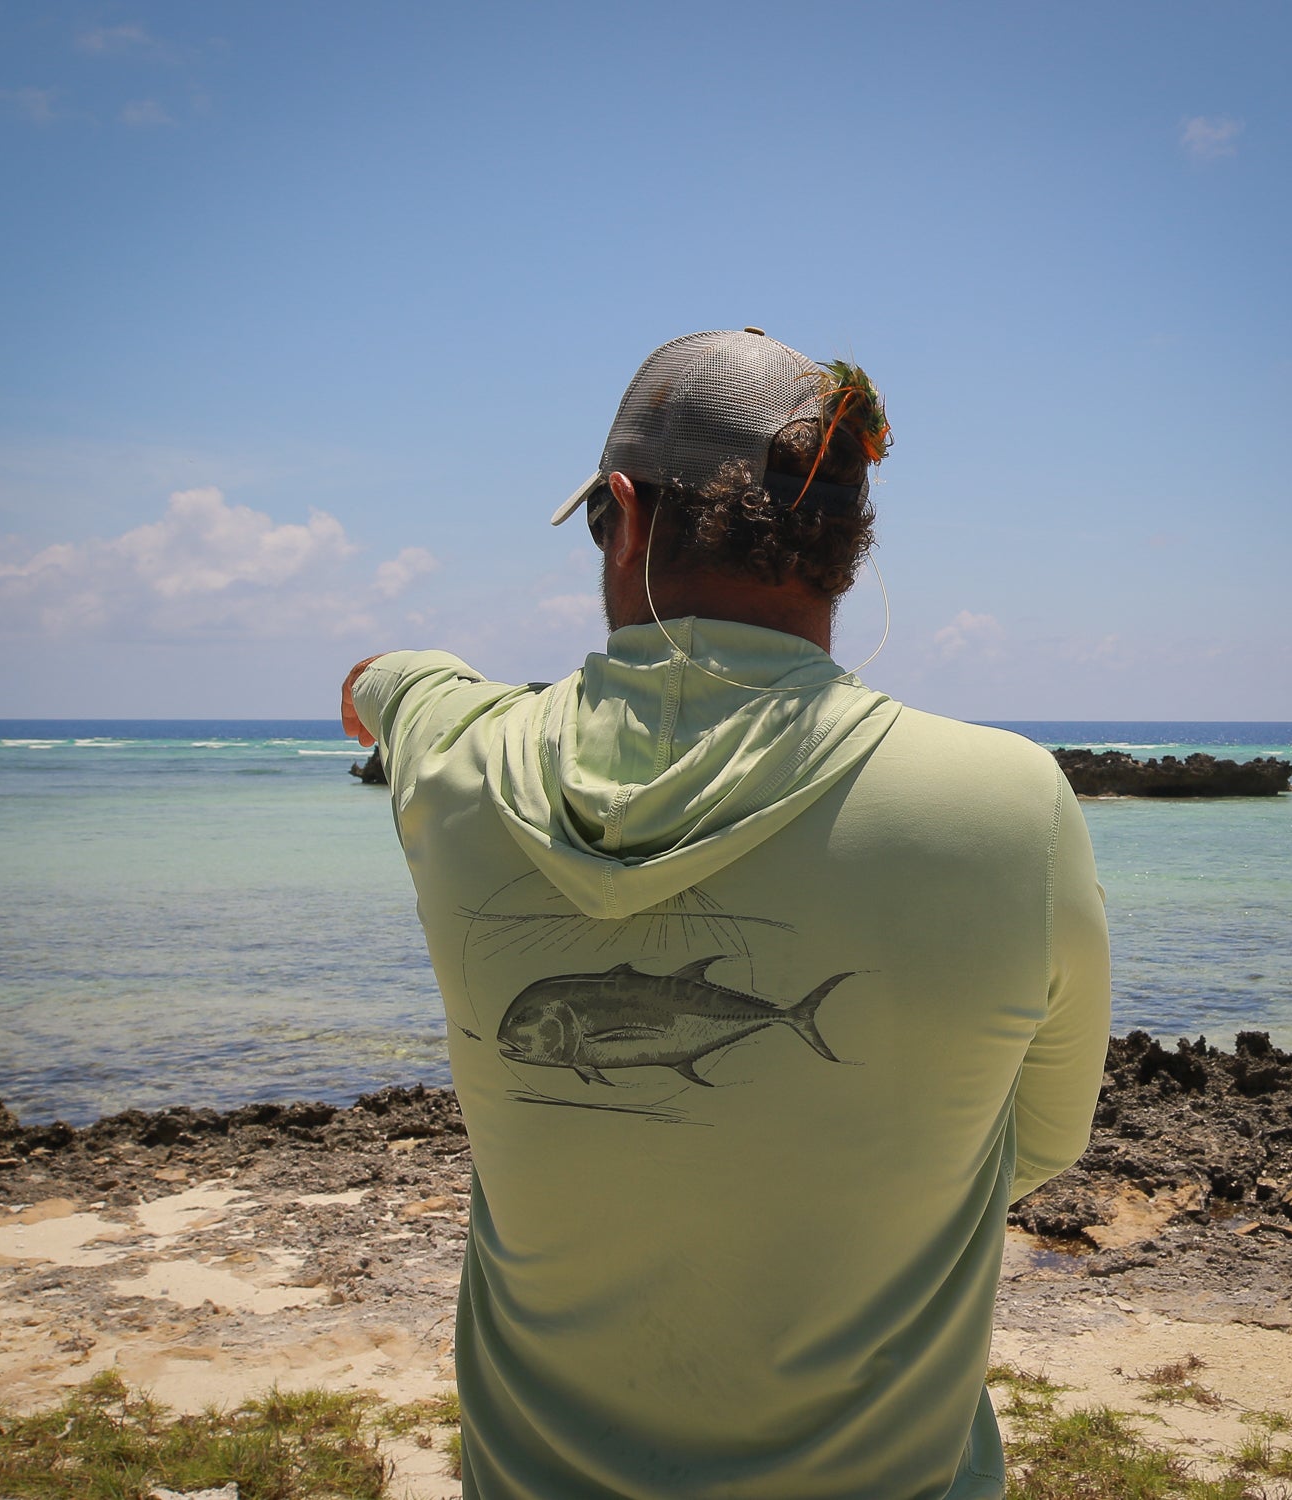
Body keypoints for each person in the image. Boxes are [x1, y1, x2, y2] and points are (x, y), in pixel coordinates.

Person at [341, 328, 1111, 1500]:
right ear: (847, 549)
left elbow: (389, 684)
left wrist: (382, 684)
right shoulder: (1010, 807)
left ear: (625, 516)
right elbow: (1043, 1141)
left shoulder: (460, 766)